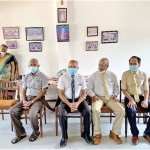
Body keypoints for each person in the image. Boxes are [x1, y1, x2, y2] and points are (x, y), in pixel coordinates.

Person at [10, 58, 48, 144]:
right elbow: (23, 90)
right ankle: (21, 133)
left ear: (38, 66)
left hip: (38, 100)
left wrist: (32, 102)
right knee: (12, 110)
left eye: (34, 65)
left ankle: (35, 132)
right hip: (27, 98)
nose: (33, 66)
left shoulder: (43, 77)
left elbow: (43, 92)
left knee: (32, 114)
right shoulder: (26, 77)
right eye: (31, 65)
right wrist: (24, 100)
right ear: (28, 66)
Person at [87, 58, 125, 145]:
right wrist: (93, 95)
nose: (99, 67)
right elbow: (89, 89)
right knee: (95, 110)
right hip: (98, 97)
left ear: (107, 66)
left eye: (102, 65)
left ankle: (114, 133)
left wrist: (115, 95)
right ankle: (97, 134)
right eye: (99, 64)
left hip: (110, 97)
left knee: (121, 110)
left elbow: (116, 87)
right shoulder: (93, 75)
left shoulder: (112, 75)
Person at [58, 60, 93, 147]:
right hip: (66, 100)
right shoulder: (63, 77)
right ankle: (64, 137)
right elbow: (60, 94)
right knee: (62, 114)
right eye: (70, 67)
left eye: (74, 67)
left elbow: (84, 93)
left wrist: (77, 103)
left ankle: (86, 134)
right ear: (68, 67)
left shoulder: (81, 78)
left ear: (77, 68)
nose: (72, 68)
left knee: (88, 113)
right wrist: (69, 104)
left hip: (79, 100)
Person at [121, 56, 150, 145]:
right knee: (131, 111)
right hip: (129, 97)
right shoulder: (125, 74)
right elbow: (124, 90)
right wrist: (131, 100)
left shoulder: (143, 74)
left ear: (139, 64)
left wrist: (145, 100)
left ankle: (147, 133)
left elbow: (146, 89)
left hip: (141, 97)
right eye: (130, 64)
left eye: (134, 64)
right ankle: (135, 135)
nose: (132, 65)